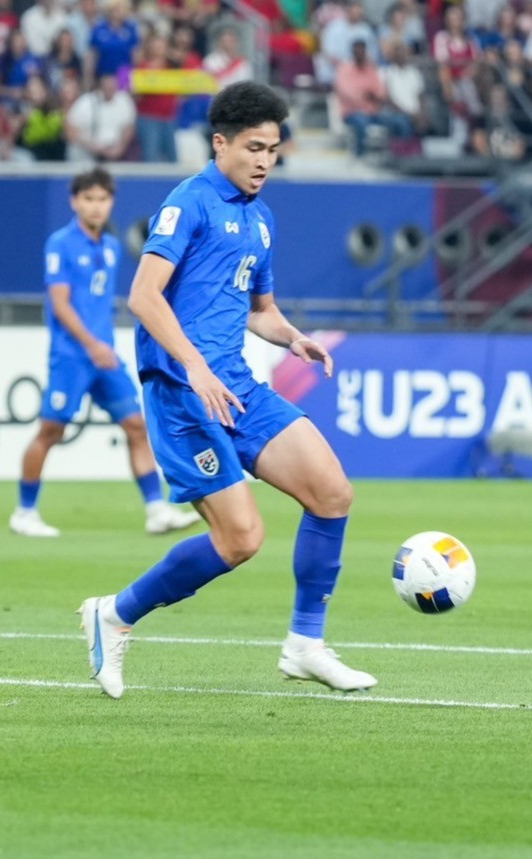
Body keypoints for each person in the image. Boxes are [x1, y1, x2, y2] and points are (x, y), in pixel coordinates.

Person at [77, 83, 375, 699]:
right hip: (183, 393)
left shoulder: (259, 219)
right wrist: (195, 366)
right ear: (220, 144)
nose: (265, 161)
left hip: (234, 385)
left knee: (332, 492)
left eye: (273, 149)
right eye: (253, 148)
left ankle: (305, 646)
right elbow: (143, 297)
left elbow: (257, 309)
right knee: (241, 540)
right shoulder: (188, 204)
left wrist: (292, 337)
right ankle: (113, 614)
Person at [11, 168, 201, 539]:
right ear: (75, 201)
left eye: (102, 199)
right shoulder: (61, 243)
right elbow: (60, 303)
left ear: (110, 202)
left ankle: (156, 510)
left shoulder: (111, 247)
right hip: (73, 355)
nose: (96, 207)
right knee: (51, 429)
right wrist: (92, 344)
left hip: (106, 356)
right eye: (88, 199)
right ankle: (24, 511)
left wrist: (103, 346)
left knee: (135, 425)